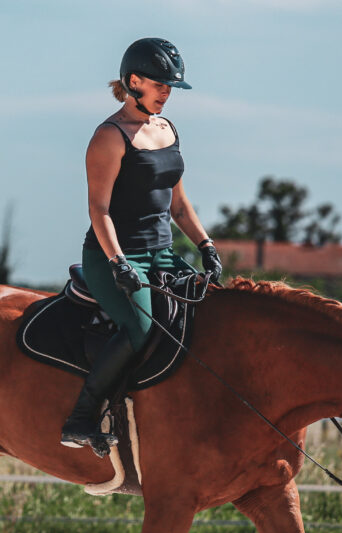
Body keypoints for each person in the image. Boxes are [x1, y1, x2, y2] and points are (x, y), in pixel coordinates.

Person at [61, 37, 222, 449]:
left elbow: (179, 206)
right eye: (161, 84)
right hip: (112, 254)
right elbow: (99, 210)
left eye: (171, 87)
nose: (167, 93)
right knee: (139, 327)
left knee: (210, 311)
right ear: (134, 81)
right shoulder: (109, 136)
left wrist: (206, 247)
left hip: (163, 253)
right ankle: (81, 418)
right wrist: (118, 263)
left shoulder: (166, 129)